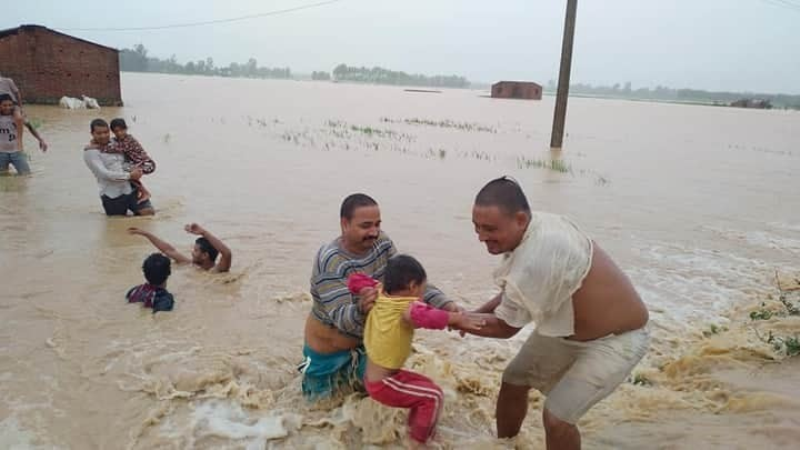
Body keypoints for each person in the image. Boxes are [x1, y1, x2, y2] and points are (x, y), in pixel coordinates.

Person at [465, 177, 650, 450]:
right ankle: (504, 445)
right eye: (476, 227)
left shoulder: (542, 250)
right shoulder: (528, 229)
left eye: (489, 229)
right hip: (564, 330)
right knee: (514, 380)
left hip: (615, 341)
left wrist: (452, 319)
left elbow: (505, 328)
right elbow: (517, 289)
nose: (481, 236)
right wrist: (474, 314)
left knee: (557, 418)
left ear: (519, 219)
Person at [299, 193, 464, 401]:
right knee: (317, 412)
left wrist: (446, 306)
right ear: (344, 224)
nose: (374, 232)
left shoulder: (382, 244)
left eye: (377, 224)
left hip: (371, 348)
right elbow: (341, 319)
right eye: (366, 226)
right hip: (328, 354)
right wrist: (360, 308)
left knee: (381, 398)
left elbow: (409, 285)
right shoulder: (330, 260)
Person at [350, 255, 485, 447]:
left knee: (427, 387)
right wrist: (457, 319)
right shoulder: (405, 307)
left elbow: (354, 279)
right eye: (422, 290)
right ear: (413, 286)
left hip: (380, 376)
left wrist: (364, 288)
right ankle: (416, 442)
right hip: (384, 383)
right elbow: (426, 316)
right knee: (434, 396)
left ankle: (417, 429)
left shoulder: (379, 292)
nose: (422, 296)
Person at [83, 119, 153, 216]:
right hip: (113, 196)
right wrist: (130, 176)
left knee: (148, 215)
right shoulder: (91, 153)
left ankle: (144, 193)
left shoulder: (117, 143)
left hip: (131, 190)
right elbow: (104, 174)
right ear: (92, 133)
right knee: (117, 224)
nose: (103, 136)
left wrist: (135, 170)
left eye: (106, 132)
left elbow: (128, 158)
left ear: (110, 132)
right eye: (99, 133)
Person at [127, 223, 232, 273]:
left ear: (205, 255)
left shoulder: (217, 270)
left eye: (195, 250)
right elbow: (168, 250)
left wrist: (204, 233)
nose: (192, 253)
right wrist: (146, 234)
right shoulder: (191, 264)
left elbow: (227, 253)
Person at [0, 94, 30, 175]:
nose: (8, 107)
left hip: (17, 151)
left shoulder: (18, 117)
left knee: (26, 175)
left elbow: (30, 127)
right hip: (1, 153)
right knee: (3, 178)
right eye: (4, 105)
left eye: (10, 105)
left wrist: (40, 139)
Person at [0, 74, 24, 151]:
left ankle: (19, 141)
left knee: (19, 118)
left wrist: (20, 108)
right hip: (1, 106)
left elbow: (17, 93)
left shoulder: (8, 81)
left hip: (12, 104)